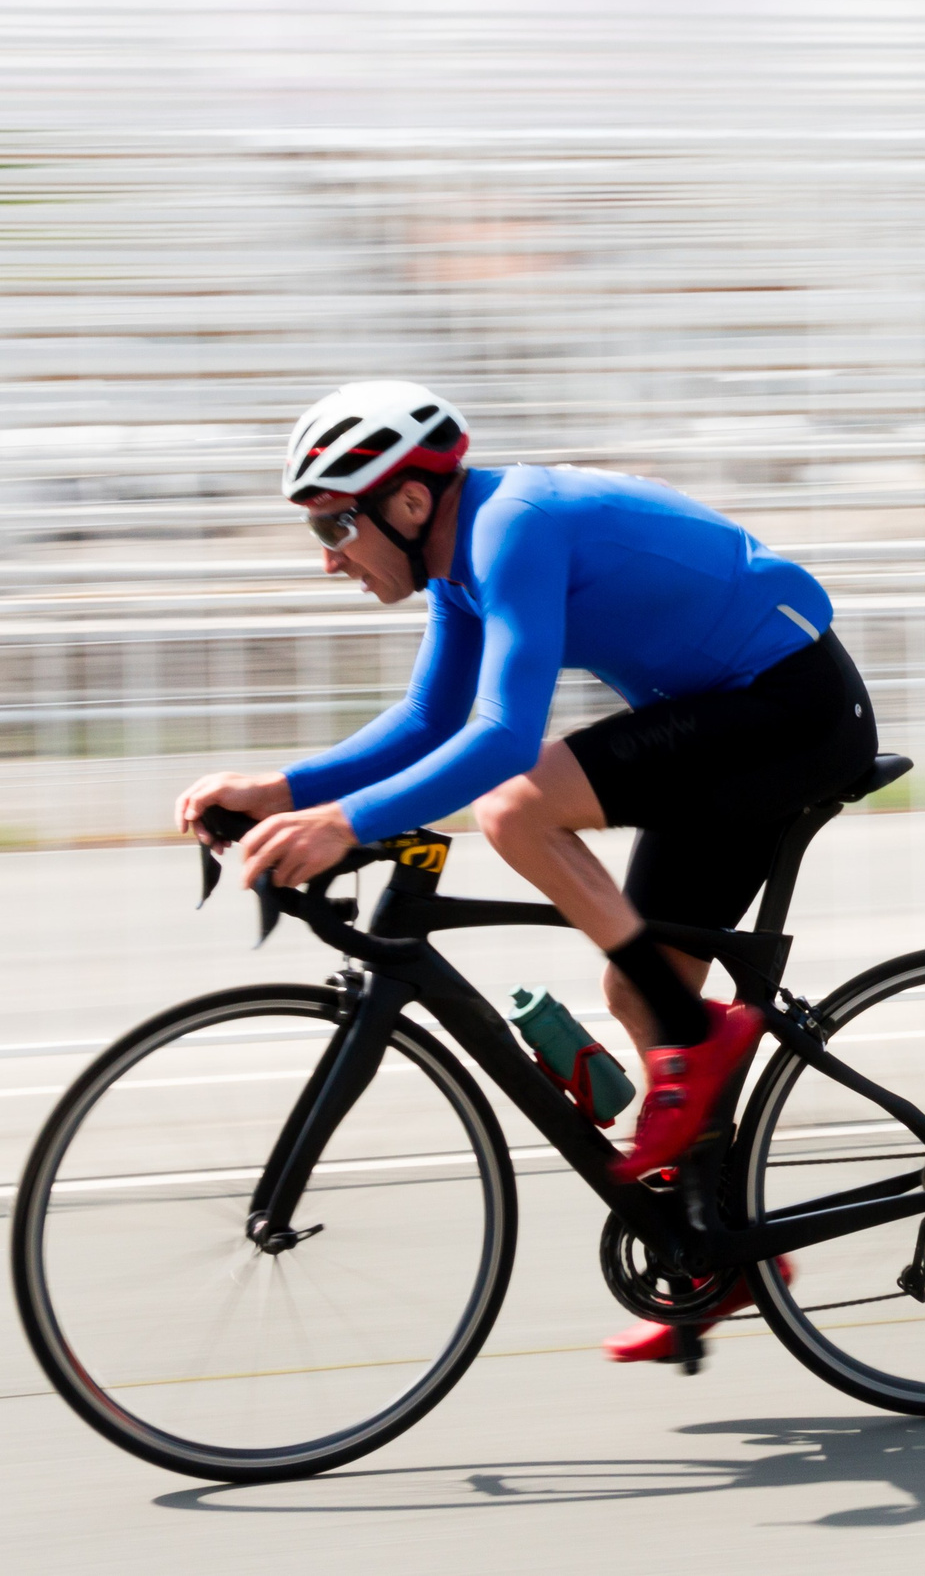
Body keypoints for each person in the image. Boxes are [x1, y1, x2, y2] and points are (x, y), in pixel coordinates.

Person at [175, 380, 875, 1359]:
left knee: (516, 809)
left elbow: (505, 739)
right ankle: (721, 1257)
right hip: (733, 723)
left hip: (789, 713)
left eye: (336, 526)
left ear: (408, 504)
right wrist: (279, 788)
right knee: (634, 995)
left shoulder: (514, 529)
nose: (330, 559)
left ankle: (693, 1040)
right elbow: (426, 724)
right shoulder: (461, 562)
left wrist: (341, 824)